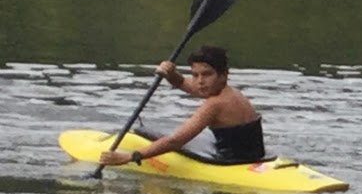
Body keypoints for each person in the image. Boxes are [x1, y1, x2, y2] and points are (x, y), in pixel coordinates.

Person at [99, 45, 266, 166]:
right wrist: (171, 74)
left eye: (207, 74)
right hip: (255, 157)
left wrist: (130, 157)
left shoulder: (215, 104)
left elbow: (175, 141)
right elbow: (185, 84)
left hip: (233, 164)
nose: (200, 81)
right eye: (195, 75)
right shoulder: (230, 93)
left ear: (223, 75)